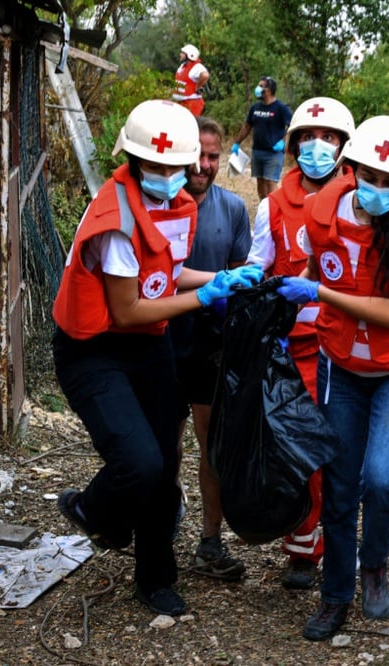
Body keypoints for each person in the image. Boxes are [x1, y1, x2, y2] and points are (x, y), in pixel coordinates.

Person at [52, 99, 262, 617]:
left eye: (176, 167)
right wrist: (206, 296)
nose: (168, 175)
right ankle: (92, 508)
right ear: (133, 160)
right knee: (140, 462)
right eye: (157, 166)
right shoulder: (115, 217)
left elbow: (164, 275)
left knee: (163, 465)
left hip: (147, 343)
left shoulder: (173, 206)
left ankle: (154, 577)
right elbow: (127, 310)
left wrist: (219, 278)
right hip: (93, 348)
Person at [275, 116, 389, 640]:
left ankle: (374, 566)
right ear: (351, 169)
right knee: (340, 481)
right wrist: (289, 292)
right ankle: (335, 596)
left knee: (381, 476)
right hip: (342, 364)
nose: (376, 188)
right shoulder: (323, 207)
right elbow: (319, 267)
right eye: (368, 176)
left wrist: (318, 295)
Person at [247, 96, 355, 591]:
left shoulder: (362, 201)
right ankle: (302, 549)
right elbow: (257, 263)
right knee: (299, 449)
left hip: (350, 345)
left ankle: (343, 548)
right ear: (292, 147)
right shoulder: (273, 205)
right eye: (307, 138)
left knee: (345, 452)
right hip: (295, 348)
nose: (317, 147)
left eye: (328, 137)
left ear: (344, 146)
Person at [169, 116, 253, 580]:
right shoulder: (160, 206)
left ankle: (209, 541)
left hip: (208, 343)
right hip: (159, 337)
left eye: (213, 156)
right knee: (165, 444)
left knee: (211, 446)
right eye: (197, 155)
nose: (203, 165)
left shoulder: (233, 209)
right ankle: (157, 529)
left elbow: (240, 277)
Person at [231, 76, 293, 200]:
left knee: (271, 181)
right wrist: (237, 143)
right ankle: (263, 208)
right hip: (257, 151)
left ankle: (274, 208)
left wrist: (283, 142)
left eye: (261, 86)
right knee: (260, 181)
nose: (258, 89)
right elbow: (247, 126)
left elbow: (292, 126)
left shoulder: (281, 108)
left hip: (273, 153)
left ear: (269, 90)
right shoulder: (255, 108)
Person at [172, 44, 209, 117]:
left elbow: (205, 75)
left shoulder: (196, 67)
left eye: (183, 53)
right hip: (182, 102)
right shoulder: (183, 66)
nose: (180, 54)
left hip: (192, 103)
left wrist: (198, 86)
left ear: (190, 55)